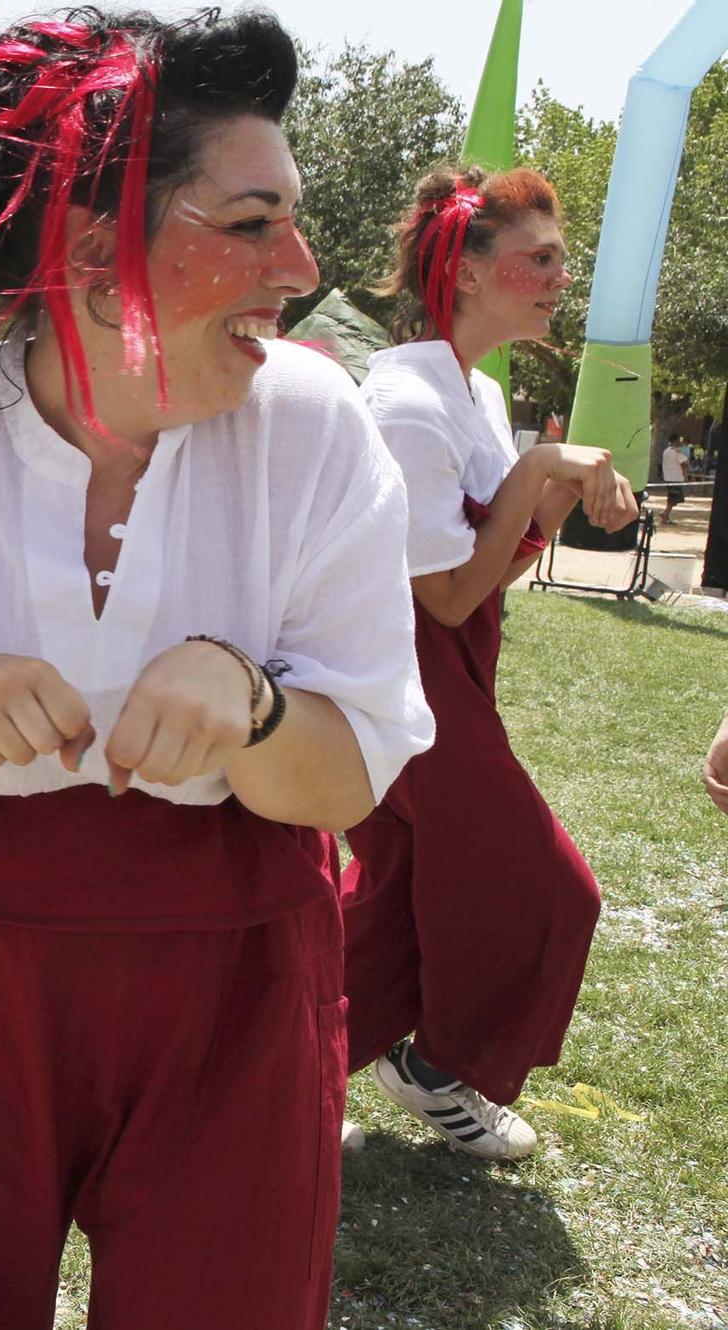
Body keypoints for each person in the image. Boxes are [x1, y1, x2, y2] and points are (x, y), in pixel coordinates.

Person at [0, 12, 435, 1326]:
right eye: (250, 223)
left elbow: (349, 776)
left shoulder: (318, 432)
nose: (298, 266)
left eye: (291, 222)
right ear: (83, 244)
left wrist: (256, 702)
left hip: (240, 976)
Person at [342, 164, 637, 1162]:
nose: (559, 278)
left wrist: (554, 491)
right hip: (398, 677)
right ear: (467, 271)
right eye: (538, 260)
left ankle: (258, 1069)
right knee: (551, 888)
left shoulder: (471, 387)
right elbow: (444, 595)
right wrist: (531, 472)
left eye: (561, 260)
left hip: (450, 672)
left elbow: (488, 571)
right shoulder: (407, 401)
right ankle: (434, 1068)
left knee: (395, 903)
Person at [661, 433, 687, 524]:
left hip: (668, 477)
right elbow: (685, 463)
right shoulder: (677, 451)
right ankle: (665, 514)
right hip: (676, 478)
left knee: (672, 497)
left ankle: (666, 515)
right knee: (673, 498)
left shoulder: (666, 451)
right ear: (676, 440)